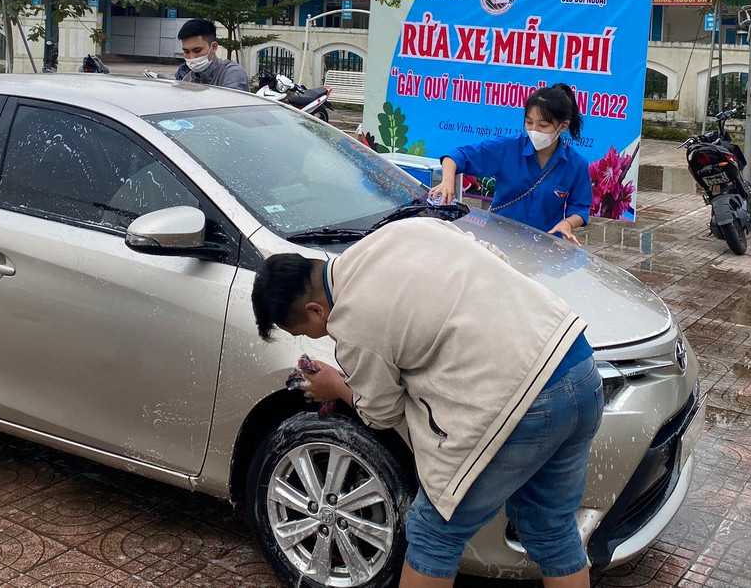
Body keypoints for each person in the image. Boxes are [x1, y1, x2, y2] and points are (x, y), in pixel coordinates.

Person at [252, 217, 603, 588]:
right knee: (551, 526)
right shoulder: (403, 232)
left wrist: (336, 385)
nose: (312, 335)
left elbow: (381, 412)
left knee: (433, 535)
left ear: (314, 310)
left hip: (523, 405)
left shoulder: (352, 323)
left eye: (303, 331)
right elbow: (491, 256)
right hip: (578, 366)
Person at [431, 82, 592, 241]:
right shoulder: (507, 147)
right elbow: (455, 157)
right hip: (498, 241)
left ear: (563, 126)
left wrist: (568, 223)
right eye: (529, 122)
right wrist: (447, 181)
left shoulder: (576, 165)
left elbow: (580, 207)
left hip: (544, 246)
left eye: (543, 125)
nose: (534, 130)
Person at [172, 17, 249, 90]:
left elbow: (228, 102)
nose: (192, 57)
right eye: (186, 52)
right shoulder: (188, 79)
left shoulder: (232, 73)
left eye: (197, 50)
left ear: (214, 47)